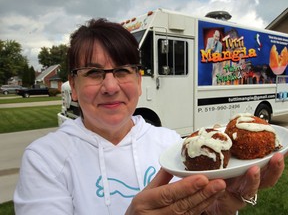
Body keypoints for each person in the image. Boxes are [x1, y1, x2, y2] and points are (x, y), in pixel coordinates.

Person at [14, 18, 285, 215]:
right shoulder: (45, 159)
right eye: (94, 73)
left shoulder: (171, 145)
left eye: (122, 70)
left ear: (138, 80)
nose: (110, 87)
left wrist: (218, 209)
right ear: (73, 86)